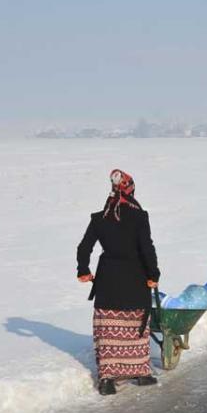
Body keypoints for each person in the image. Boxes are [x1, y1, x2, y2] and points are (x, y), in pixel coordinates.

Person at [77, 169, 160, 396]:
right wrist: (154, 274)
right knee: (135, 327)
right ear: (130, 189)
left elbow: (84, 247)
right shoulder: (139, 216)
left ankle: (107, 379)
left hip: (108, 281)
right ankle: (141, 373)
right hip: (135, 278)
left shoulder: (100, 217)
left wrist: (83, 270)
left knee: (108, 330)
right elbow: (146, 248)